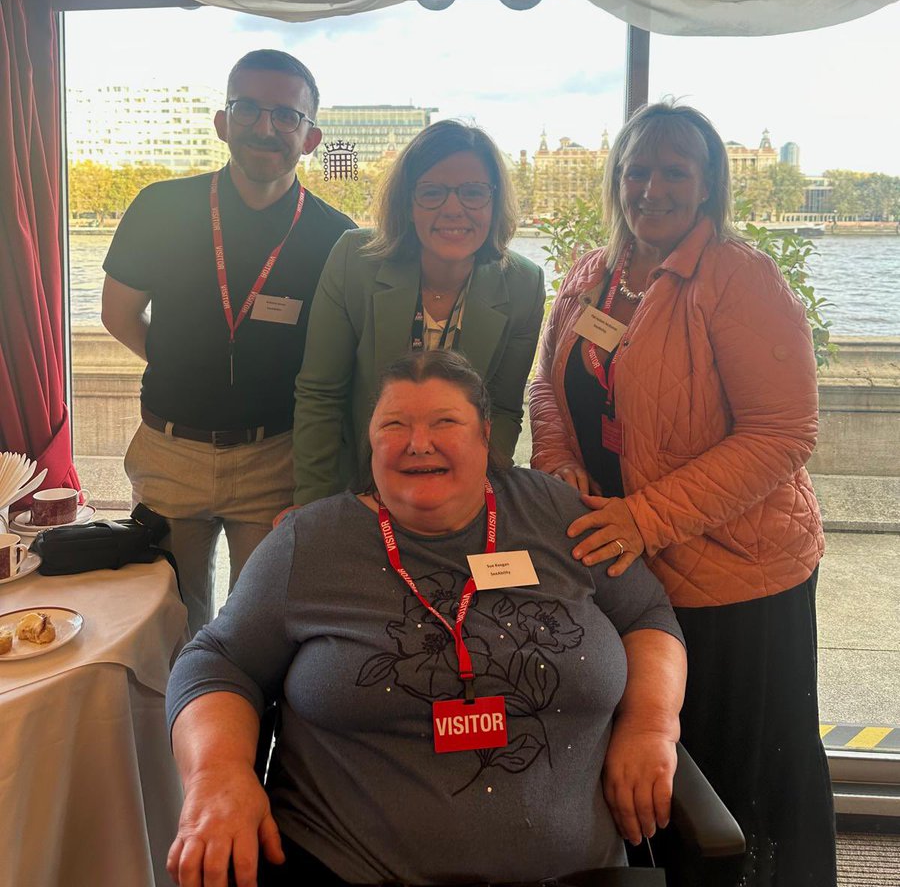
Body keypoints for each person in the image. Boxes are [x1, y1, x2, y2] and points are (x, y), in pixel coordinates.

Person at [166, 350, 686, 886]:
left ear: (485, 435)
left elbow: (646, 614)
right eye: (395, 424)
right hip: (348, 866)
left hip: (577, 872)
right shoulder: (310, 543)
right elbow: (218, 662)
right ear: (370, 439)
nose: (419, 443)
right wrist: (216, 775)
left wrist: (651, 724)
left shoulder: (556, 515)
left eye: (445, 423)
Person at [529, 101, 836, 887]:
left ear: (707, 187)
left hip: (737, 576)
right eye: (637, 170)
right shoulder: (593, 273)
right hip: (627, 572)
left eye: (674, 171)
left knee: (740, 775)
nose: (651, 188)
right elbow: (548, 390)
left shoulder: (739, 277)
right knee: (648, 765)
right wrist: (562, 466)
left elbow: (783, 434)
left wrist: (644, 518)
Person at [102, 49, 355, 635]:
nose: (265, 127)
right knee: (168, 627)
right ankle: (173, 729)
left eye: (285, 116)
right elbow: (117, 314)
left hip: (276, 458)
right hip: (171, 453)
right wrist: (183, 367)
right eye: (247, 109)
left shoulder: (337, 238)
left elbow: (341, 363)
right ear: (223, 121)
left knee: (260, 629)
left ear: (311, 136)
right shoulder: (161, 207)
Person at [291, 119, 545, 507]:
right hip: (355, 486)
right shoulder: (354, 260)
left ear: (494, 203)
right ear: (407, 204)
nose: (454, 209)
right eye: (432, 192)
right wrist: (314, 511)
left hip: (455, 494)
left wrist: (468, 497)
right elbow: (320, 396)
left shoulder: (524, 285)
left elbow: (504, 410)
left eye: (474, 193)